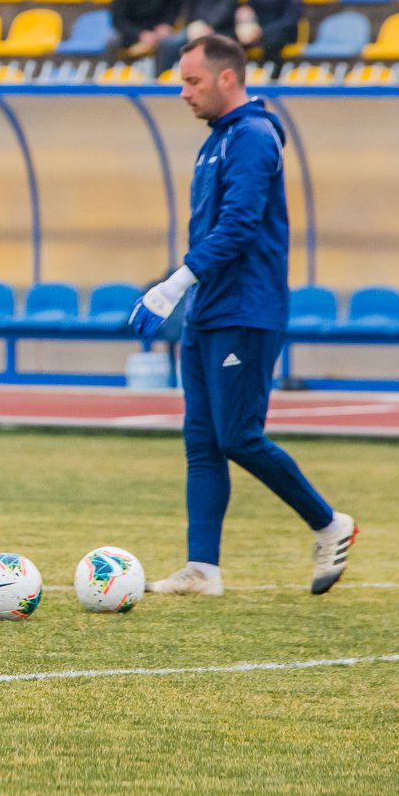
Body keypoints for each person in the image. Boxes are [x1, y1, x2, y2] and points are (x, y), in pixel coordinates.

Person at [129, 33, 357, 599]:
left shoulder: (252, 137)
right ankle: (202, 569)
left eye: (192, 80)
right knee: (202, 441)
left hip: (247, 309)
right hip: (210, 310)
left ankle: (330, 524)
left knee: (238, 436)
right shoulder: (217, 142)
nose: (184, 92)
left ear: (227, 78)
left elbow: (239, 226)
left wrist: (174, 284)